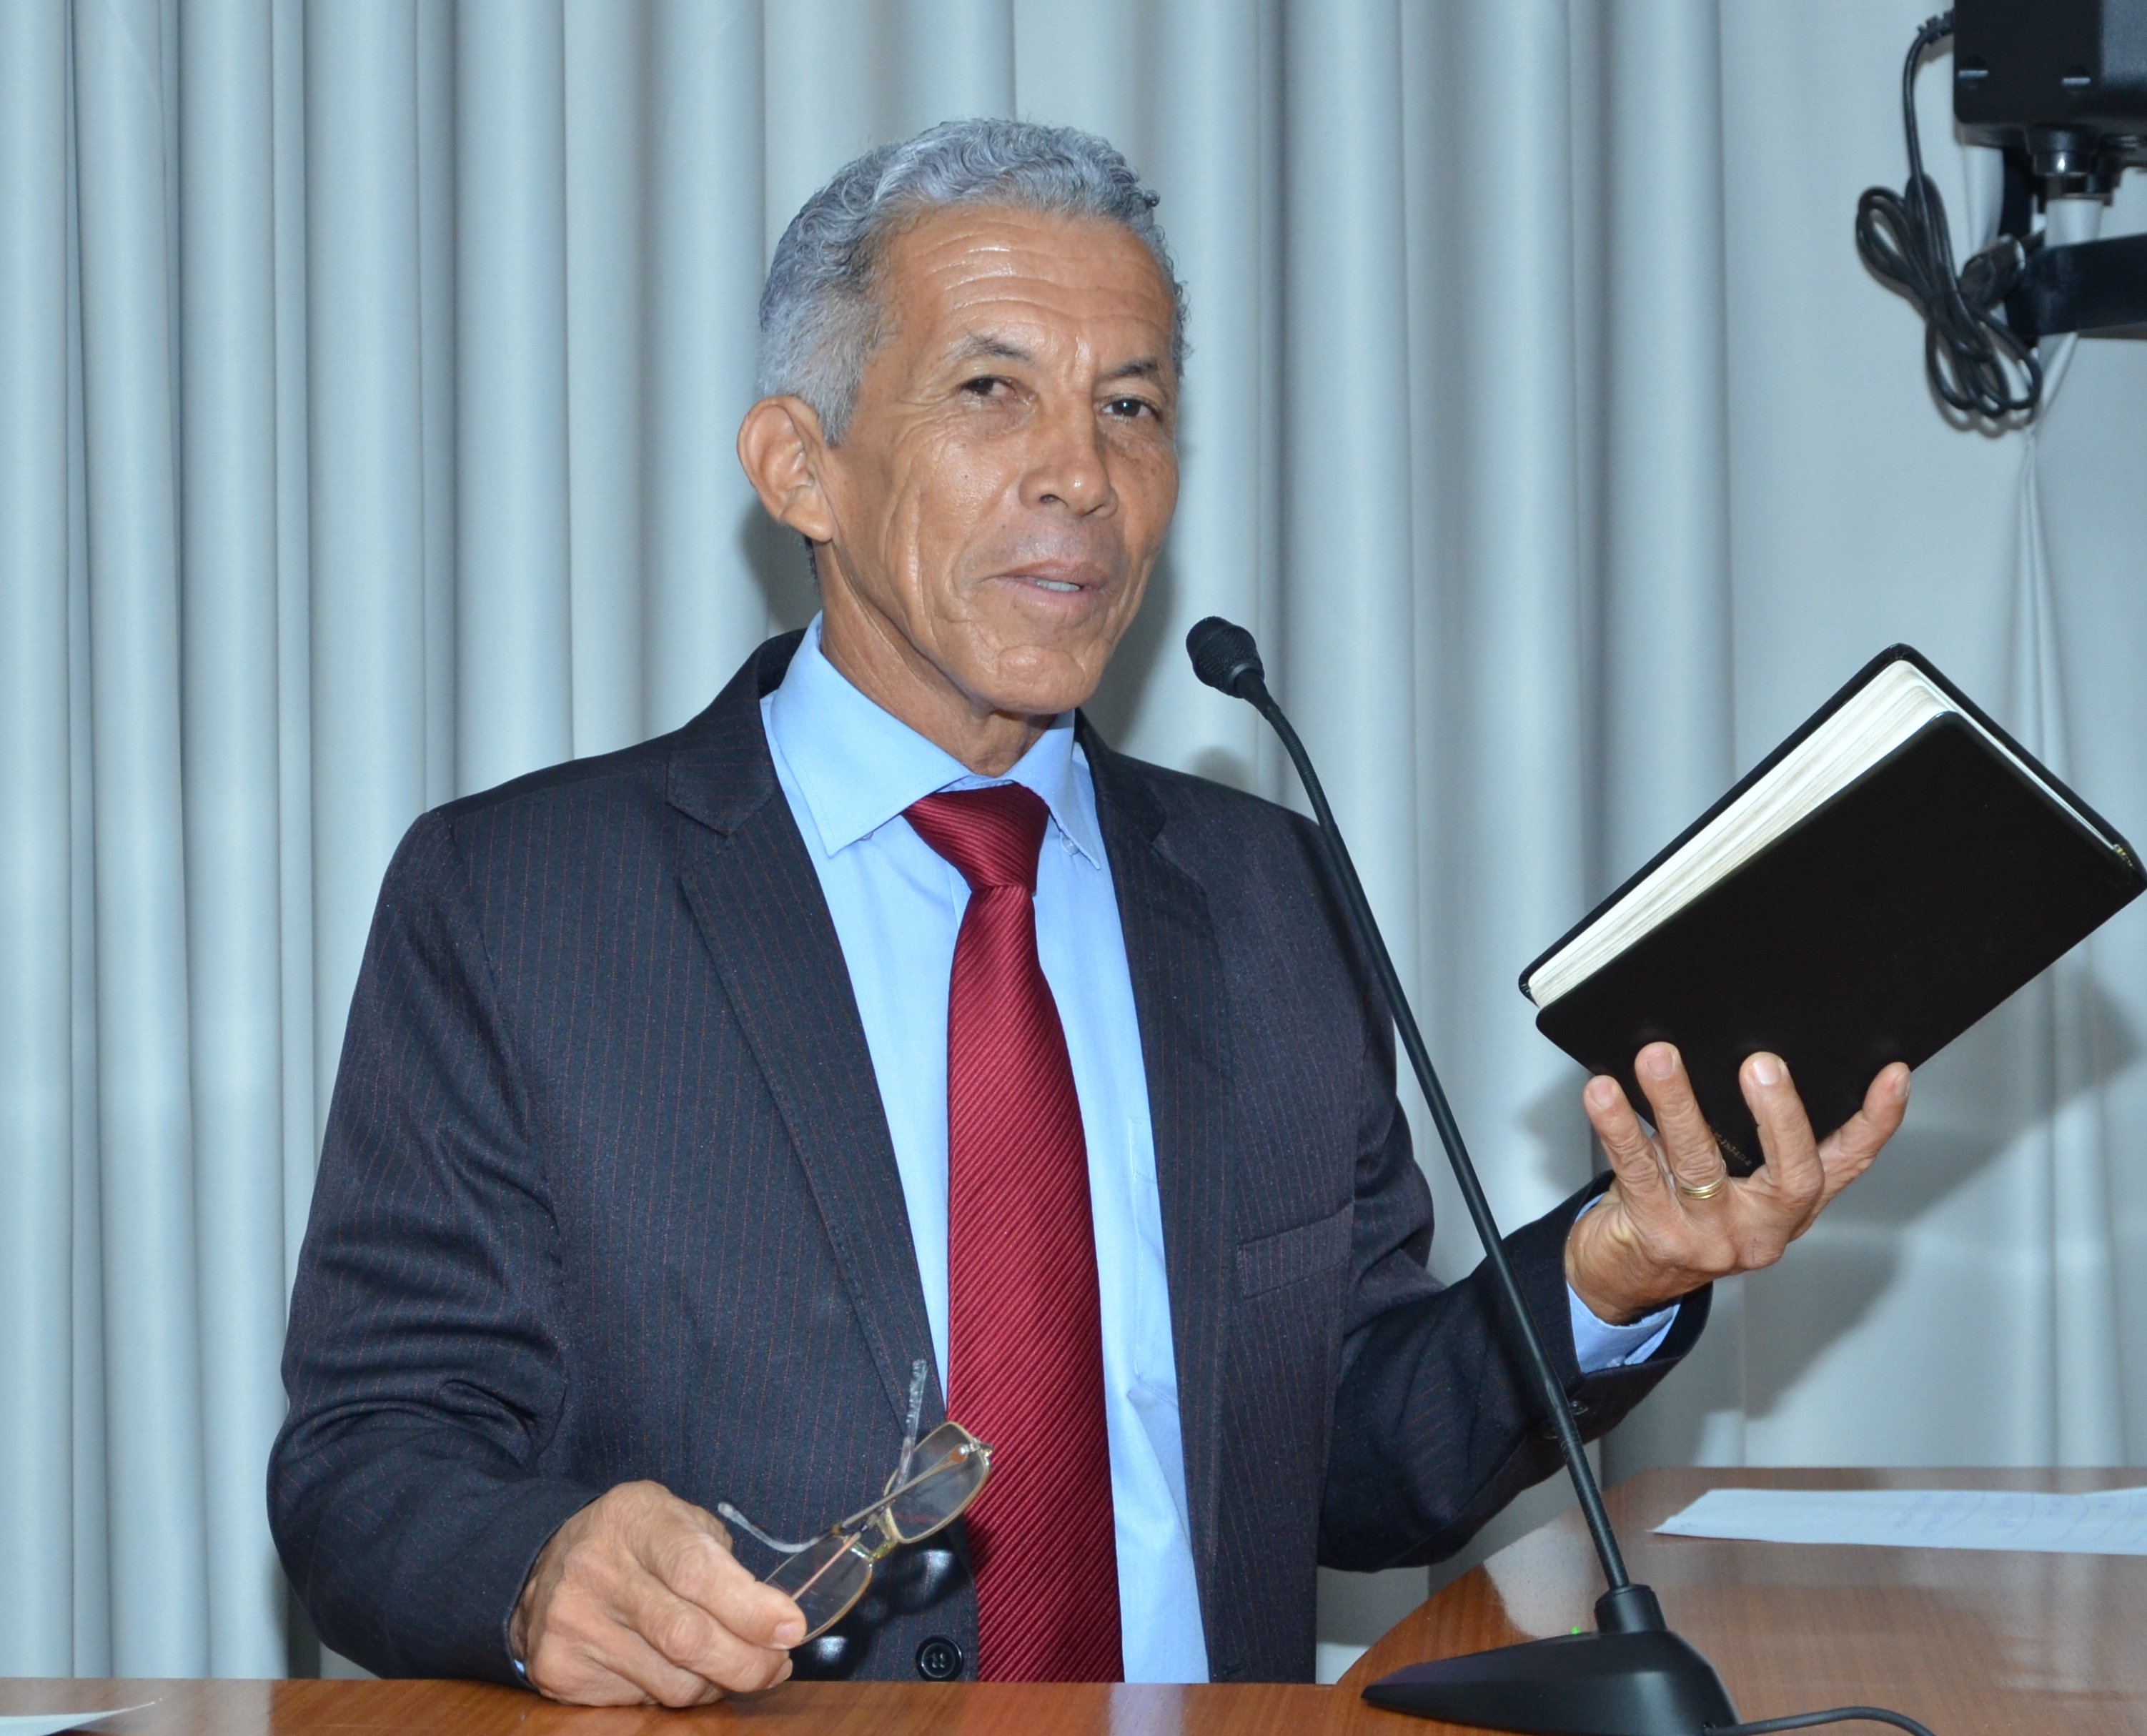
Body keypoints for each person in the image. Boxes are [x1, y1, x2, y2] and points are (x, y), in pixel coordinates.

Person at [269, 119, 1908, 1704]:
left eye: (1131, 407)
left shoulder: (1266, 893)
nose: (1081, 474)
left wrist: (1605, 1274)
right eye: (992, 391)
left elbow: (1349, 1459)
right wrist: (536, 1570)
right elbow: (370, 1453)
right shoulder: (525, 901)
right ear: (799, 466)